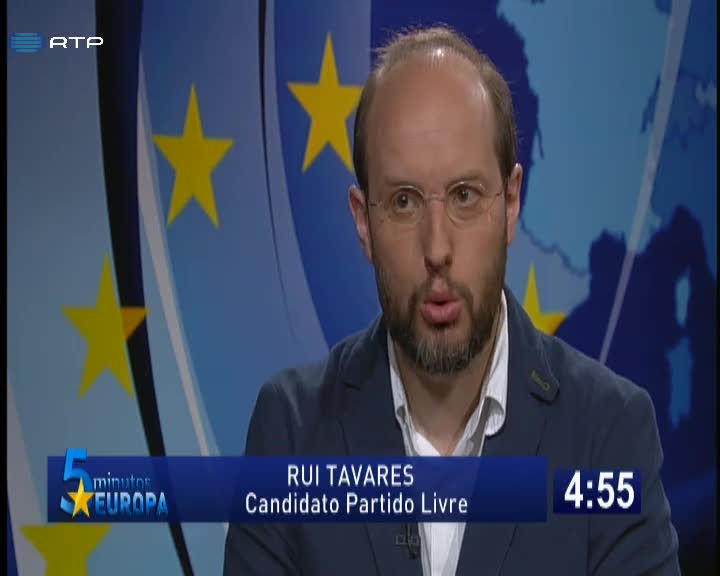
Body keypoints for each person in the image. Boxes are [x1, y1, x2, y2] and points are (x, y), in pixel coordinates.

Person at [224, 25, 679, 576]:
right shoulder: (292, 432)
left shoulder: (607, 434)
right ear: (363, 222)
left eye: (465, 196)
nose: (437, 249)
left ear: (510, 203)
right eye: (404, 201)